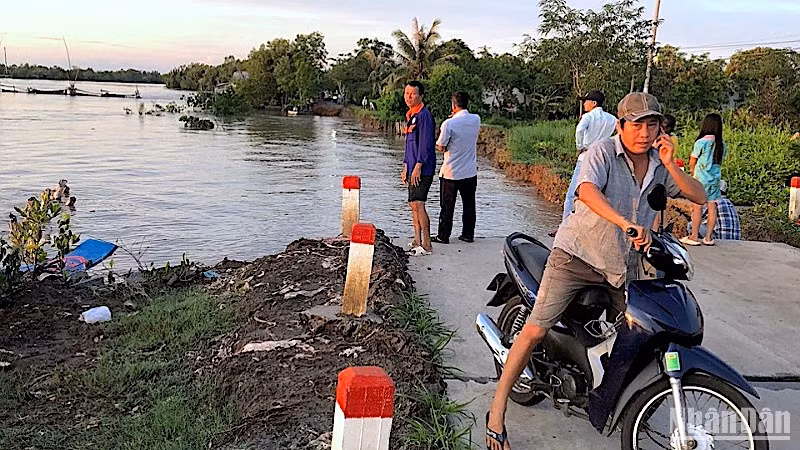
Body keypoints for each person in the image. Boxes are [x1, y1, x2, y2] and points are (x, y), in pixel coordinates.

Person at [485, 92, 707, 450]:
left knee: (640, 332)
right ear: (621, 125)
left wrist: (673, 164)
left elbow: (699, 195)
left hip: (624, 266)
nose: (645, 132)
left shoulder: (657, 163)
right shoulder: (602, 151)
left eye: (652, 124)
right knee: (535, 330)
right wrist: (624, 222)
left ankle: (604, 394)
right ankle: (496, 413)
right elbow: (586, 191)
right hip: (578, 256)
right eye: (637, 124)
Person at [431, 92, 481, 244]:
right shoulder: (476, 119)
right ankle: (468, 235)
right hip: (470, 171)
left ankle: (443, 236)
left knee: (447, 206)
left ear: (453, 105)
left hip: (451, 172)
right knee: (469, 204)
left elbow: (441, 146)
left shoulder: (449, 123)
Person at [562, 90, 618, 223]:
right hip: (604, 159)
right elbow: (621, 129)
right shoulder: (611, 119)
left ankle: (565, 224)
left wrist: (580, 146)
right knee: (598, 192)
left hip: (586, 157)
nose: (584, 104)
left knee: (572, 193)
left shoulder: (588, 117)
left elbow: (579, 130)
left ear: (594, 103)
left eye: (586, 101)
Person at [401, 80, 436, 256]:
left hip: (423, 169)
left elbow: (426, 145)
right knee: (412, 204)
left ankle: (427, 244)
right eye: (406, 93)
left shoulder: (424, 116)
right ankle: (417, 240)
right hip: (411, 167)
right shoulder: (410, 116)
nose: (408, 97)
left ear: (420, 96)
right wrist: (406, 165)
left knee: (419, 204)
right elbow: (409, 145)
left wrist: (418, 166)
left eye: (412, 94)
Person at [681, 113, 727, 247]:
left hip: (701, 178)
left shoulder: (701, 142)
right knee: (712, 207)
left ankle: (694, 236)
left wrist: (691, 171)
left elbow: (693, 159)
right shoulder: (721, 144)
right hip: (715, 179)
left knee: (697, 207)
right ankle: (708, 237)